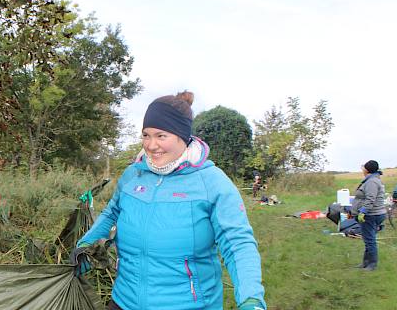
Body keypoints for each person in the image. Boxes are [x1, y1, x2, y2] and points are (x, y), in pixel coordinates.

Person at [71, 91, 266, 310]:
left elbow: (238, 244)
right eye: (146, 135)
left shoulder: (211, 183)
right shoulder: (133, 175)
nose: (151, 145)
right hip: (124, 301)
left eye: (161, 136)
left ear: (182, 136)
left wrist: (251, 299)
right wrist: (86, 244)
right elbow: (111, 213)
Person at [350, 160, 387, 271]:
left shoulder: (371, 182)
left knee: (370, 240)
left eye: (363, 168)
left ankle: (372, 265)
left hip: (371, 215)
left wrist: (363, 211)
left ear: (367, 170)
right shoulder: (372, 180)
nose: (362, 170)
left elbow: (371, 199)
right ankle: (365, 263)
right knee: (368, 239)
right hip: (373, 214)